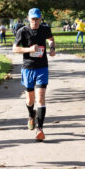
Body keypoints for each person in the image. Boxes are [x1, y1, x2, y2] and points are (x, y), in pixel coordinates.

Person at [13, 8, 55, 141]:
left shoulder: (44, 29)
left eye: (37, 19)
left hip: (42, 67)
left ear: (40, 18)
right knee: (30, 100)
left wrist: (52, 48)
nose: (35, 22)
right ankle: (31, 115)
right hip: (28, 68)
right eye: (33, 19)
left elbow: (50, 39)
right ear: (28, 18)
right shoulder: (23, 31)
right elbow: (15, 48)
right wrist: (29, 49)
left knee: (40, 97)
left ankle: (40, 129)